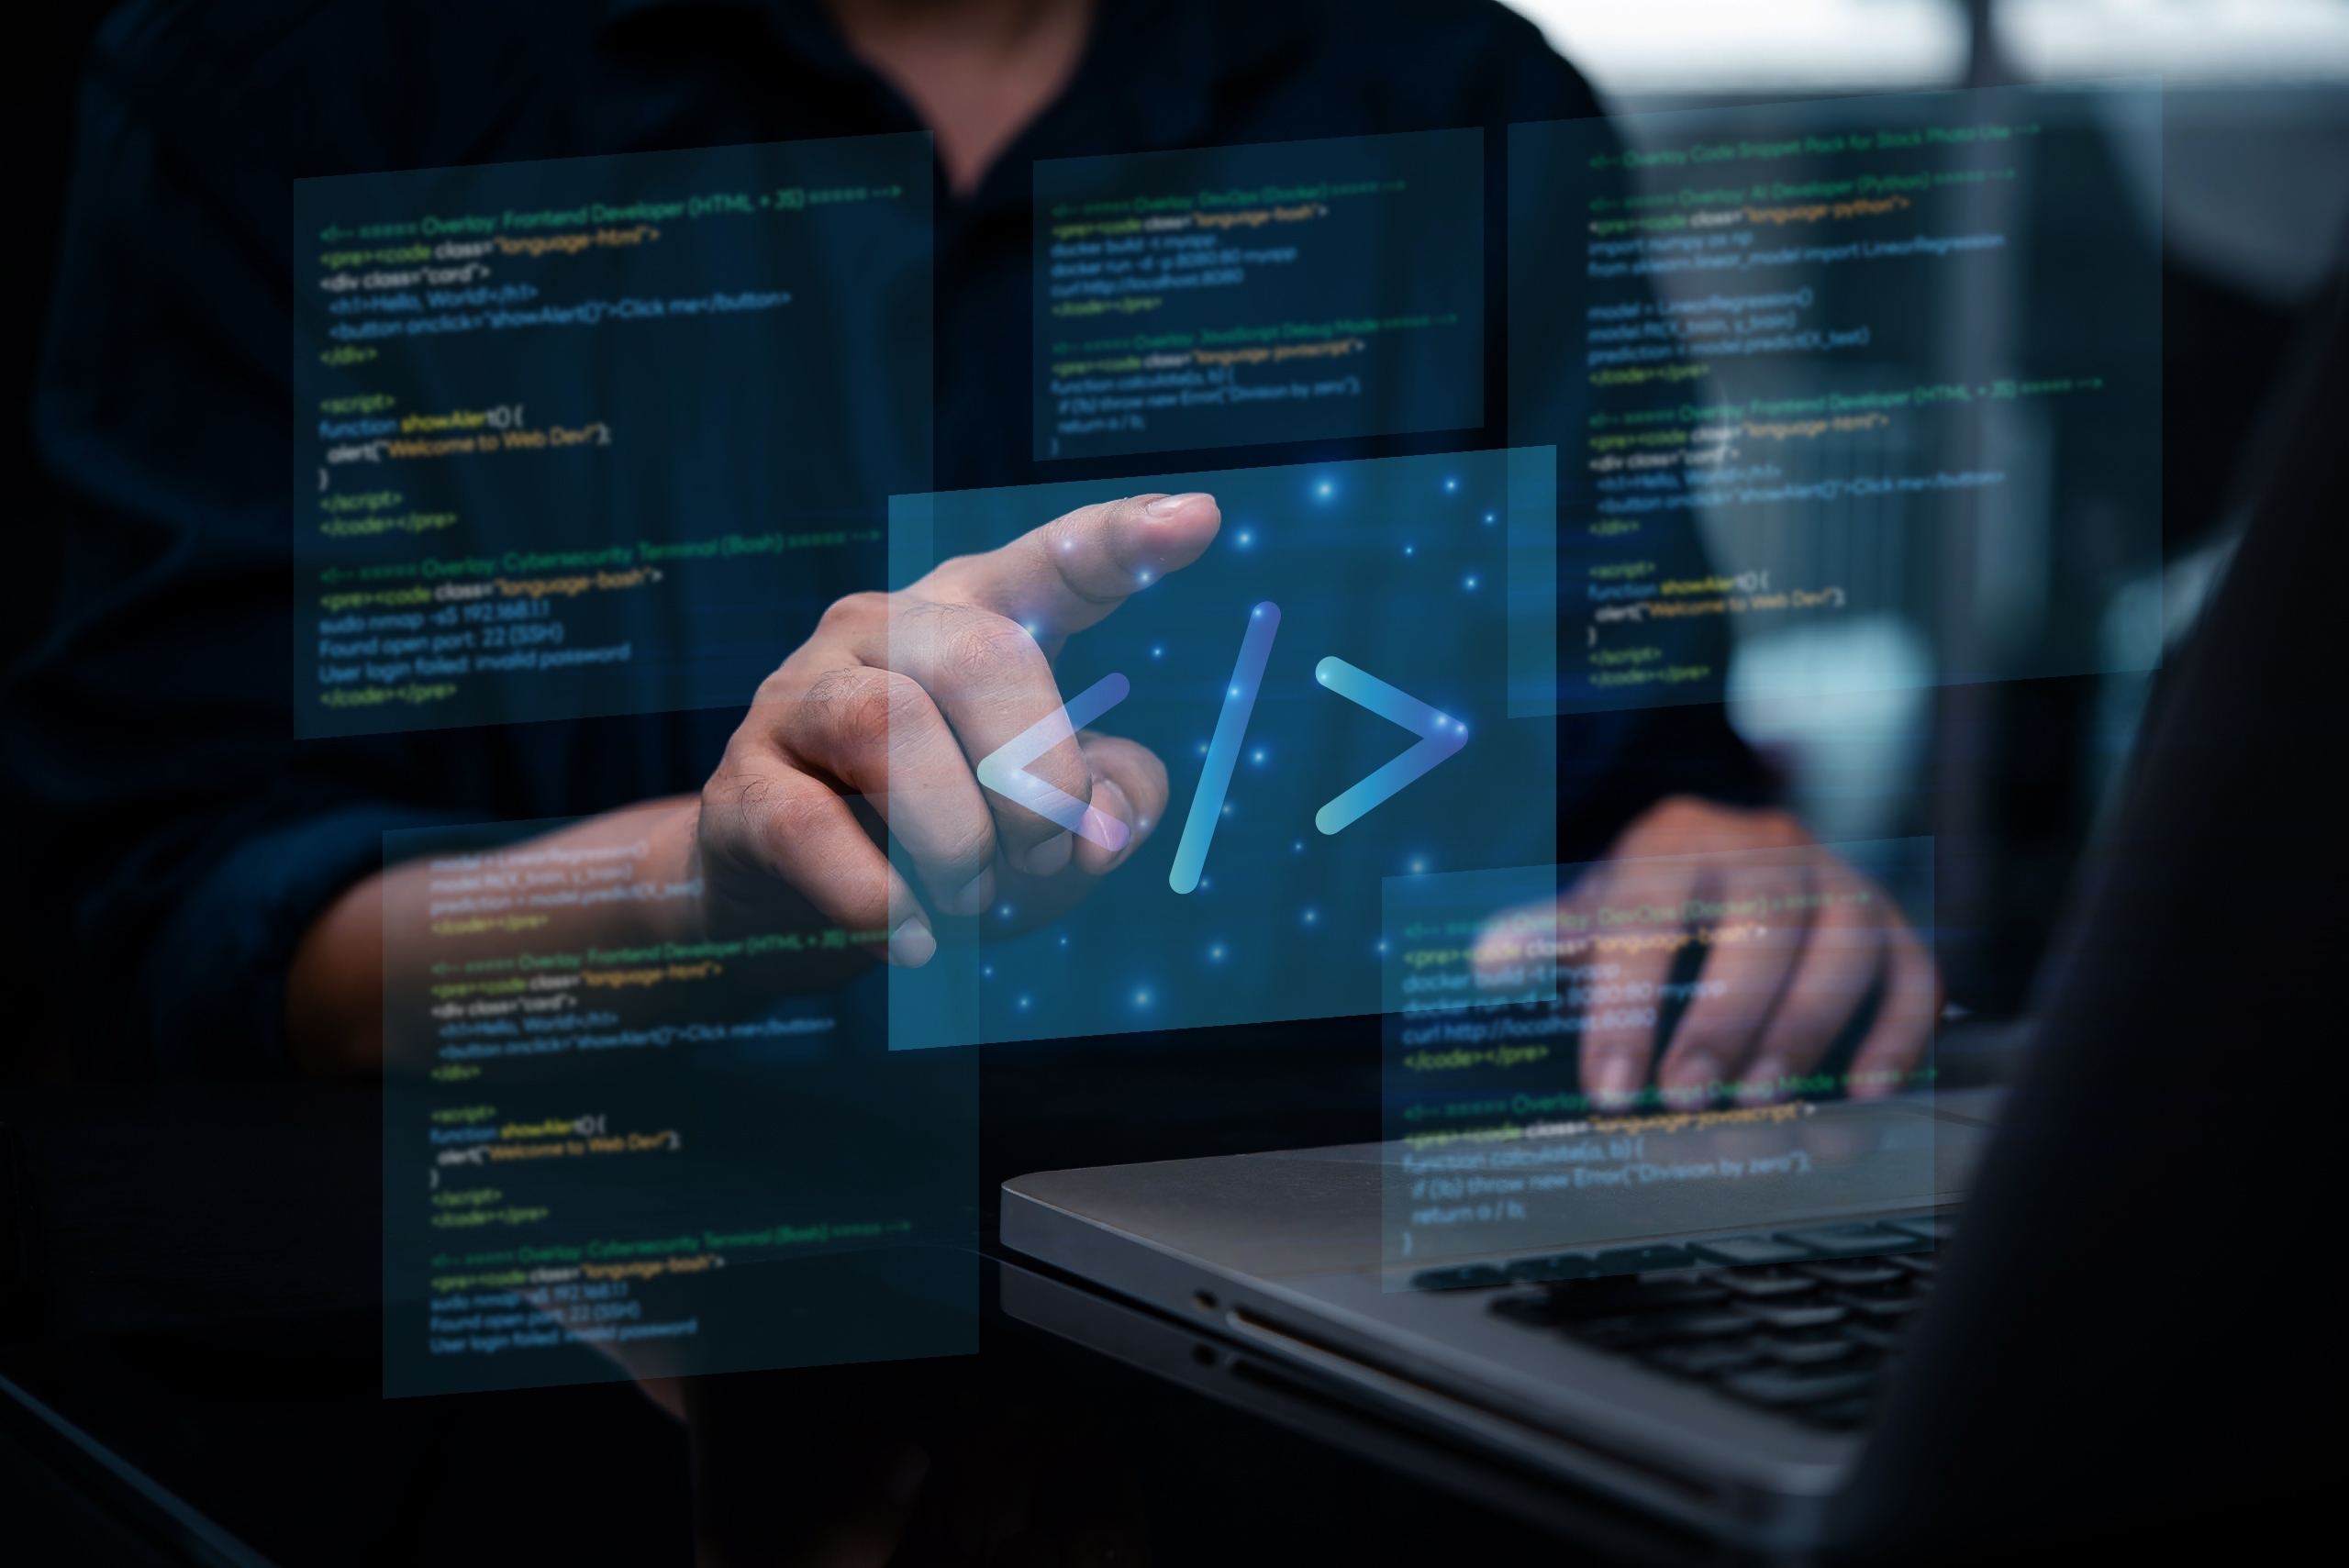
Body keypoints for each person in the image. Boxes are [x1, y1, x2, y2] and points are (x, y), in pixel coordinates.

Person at [7, 0, 1930, 1113]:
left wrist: (1711, 867)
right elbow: (174, 923)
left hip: (1311, 1395)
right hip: (565, 1403)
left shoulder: (1456, 101)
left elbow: (1625, 763)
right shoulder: (294, 88)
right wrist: (703, 893)